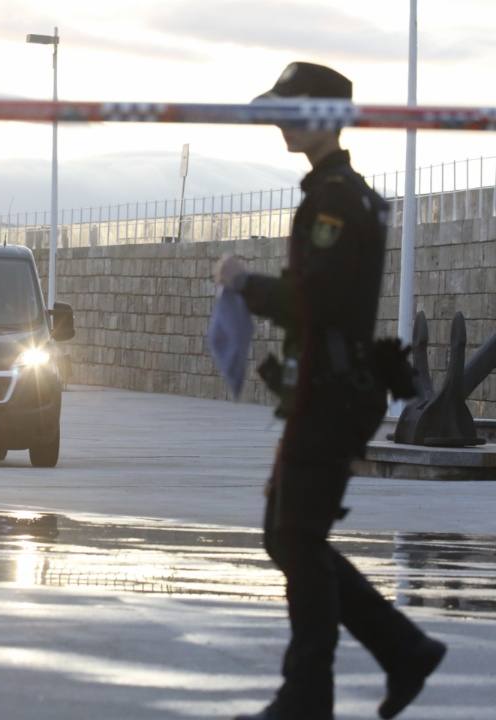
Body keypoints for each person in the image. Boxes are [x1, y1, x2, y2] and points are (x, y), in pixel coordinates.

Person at [214, 62, 446, 720]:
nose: (281, 121)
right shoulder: (340, 192)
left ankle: (310, 693)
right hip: (331, 387)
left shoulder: (335, 199)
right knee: (289, 536)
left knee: (295, 538)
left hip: (333, 391)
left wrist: (241, 282)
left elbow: (312, 299)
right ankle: (401, 651)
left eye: (293, 109)